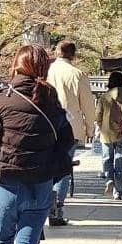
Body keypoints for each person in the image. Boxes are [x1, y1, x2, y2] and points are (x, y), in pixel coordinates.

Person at [0, 45, 74, 244]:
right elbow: (67, 142)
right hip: (40, 184)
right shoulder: (52, 103)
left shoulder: (0, 101)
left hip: (6, 183)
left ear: (17, 65)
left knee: (2, 243)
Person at [47, 40, 94, 226]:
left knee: (45, 165)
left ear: (56, 52)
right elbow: (88, 104)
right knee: (64, 168)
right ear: (73, 55)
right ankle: (57, 208)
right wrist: (90, 128)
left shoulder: (46, 72)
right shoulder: (78, 74)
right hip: (70, 126)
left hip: (45, 125)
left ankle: (43, 203)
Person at [96, 68, 122, 200]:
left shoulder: (104, 97)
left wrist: (100, 125)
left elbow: (98, 116)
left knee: (107, 158)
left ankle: (109, 179)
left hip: (106, 132)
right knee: (120, 159)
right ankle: (118, 191)